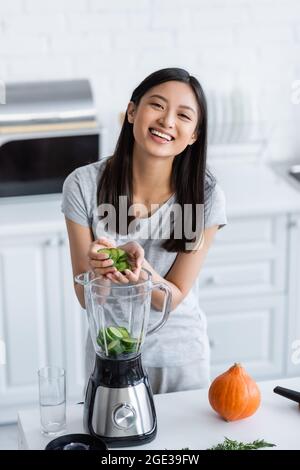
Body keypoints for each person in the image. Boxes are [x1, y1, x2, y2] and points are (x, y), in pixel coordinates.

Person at [61, 67, 227, 394]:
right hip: (111, 353)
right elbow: (85, 297)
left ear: (194, 134)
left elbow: (172, 298)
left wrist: (140, 270)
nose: (167, 121)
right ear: (132, 111)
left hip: (180, 358)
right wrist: (103, 271)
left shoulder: (204, 195)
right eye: (158, 105)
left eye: (184, 115)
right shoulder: (83, 185)